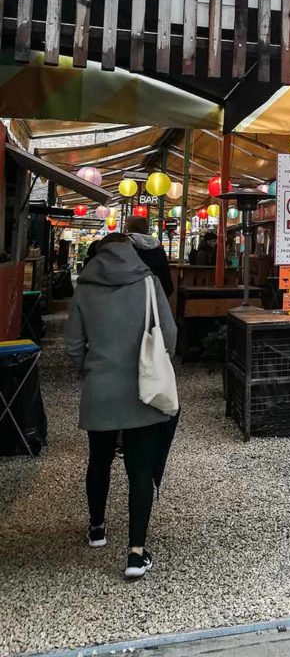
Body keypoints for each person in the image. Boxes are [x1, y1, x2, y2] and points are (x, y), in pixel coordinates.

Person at [64, 233, 178, 580]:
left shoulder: (84, 287)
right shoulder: (148, 283)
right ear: (133, 252)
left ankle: (97, 529)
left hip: (100, 390)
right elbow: (169, 333)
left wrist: (92, 369)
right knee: (139, 471)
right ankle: (135, 553)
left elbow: (72, 345)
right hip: (142, 389)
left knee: (98, 461)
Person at [125, 215, 174, 297]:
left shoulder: (122, 247)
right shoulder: (159, 250)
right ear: (146, 230)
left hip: (128, 299)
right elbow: (167, 286)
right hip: (154, 298)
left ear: (127, 229)